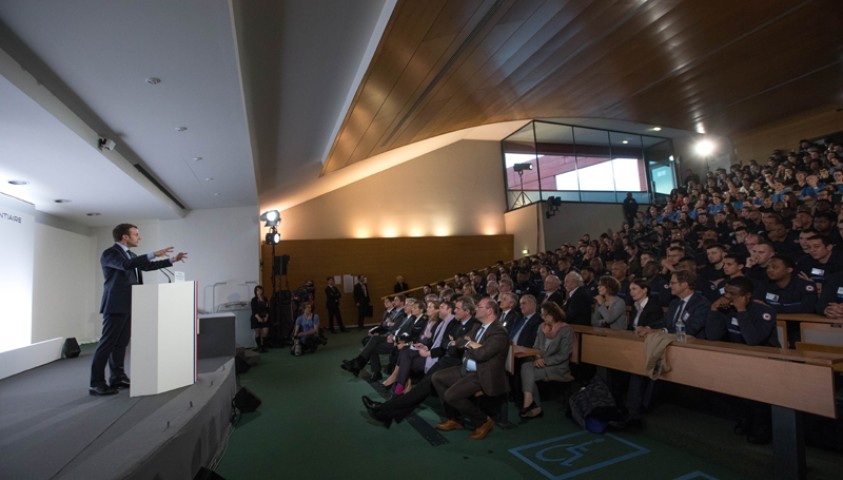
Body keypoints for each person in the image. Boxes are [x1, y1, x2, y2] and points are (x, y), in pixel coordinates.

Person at [90, 223, 187, 396]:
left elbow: (147, 266)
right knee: (107, 344)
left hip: (130, 303)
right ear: (125, 237)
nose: (139, 237)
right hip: (115, 305)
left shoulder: (131, 255)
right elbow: (126, 265)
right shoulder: (110, 253)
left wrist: (172, 260)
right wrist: (152, 254)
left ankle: (117, 377)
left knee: (121, 344)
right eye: (136, 234)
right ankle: (96, 383)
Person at [432, 297, 509, 440]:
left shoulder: (499, 331)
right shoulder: (477, 325)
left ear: (489, 311)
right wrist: (471, 344)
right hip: (466, 368)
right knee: (437, 377)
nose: (476, 309)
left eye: (479, 307)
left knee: (451, 395)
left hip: (482, 373)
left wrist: (469, 344)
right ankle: (455, 419)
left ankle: (483, 421)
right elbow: (461, 341)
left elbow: (482, 354)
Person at [517, 302, 574, 419]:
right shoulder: (541, 327)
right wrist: (538, 357)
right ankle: (530, 401)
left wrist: (544, 361)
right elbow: (536, 347)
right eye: (542, 315)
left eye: (545, 315)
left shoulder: (566, 329)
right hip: (541, 362)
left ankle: (534, 406)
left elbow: (564, 355)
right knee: (525, 366)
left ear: (553, 314)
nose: (542, 318)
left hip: (558, 366)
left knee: (528, 374)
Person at [250, 285, 270, 352]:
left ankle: (263, 346)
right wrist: (258, 318)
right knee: (258, 332)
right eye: (258, 290)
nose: (259, 291)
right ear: (255, 291)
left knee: (265, 332)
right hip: (256, 317)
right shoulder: (253, 300)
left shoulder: (265, 299)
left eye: (260, 290)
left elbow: (268, 309)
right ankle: (259, 347)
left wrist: (267, 316)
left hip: (264, 317)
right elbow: (254, 311)